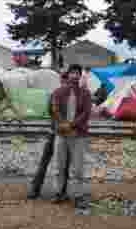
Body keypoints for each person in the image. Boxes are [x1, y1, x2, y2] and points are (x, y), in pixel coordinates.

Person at [50, 64, 93, 208]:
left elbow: (86, 113)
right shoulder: (58, 92)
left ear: (80, 76)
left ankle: (78, 195)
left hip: (78, 134)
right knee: (59, 166)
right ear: (68, 75)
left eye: (77, 73)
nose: (75, 75)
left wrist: (72, 125)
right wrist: (63, 124)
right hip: (61, 134)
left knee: (78, 168)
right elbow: (54, 109)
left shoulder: (85, 93)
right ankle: (59, 192)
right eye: (72, 73)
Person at [28, 70, 69, 199]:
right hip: (65, 134)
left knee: (45, 161)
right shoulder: (71, 95)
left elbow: (50, 112)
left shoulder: (54, 94)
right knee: (64, 164)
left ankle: (35, 189)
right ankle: (61, 191)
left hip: (55, 132)